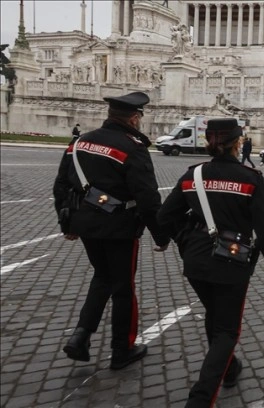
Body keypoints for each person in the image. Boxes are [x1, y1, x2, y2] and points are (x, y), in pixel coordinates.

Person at [156, 118, 264, 408]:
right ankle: (201, 398)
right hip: (231, 262)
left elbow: (165, 216)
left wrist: (183, 239)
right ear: (238, 142)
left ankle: (229, 369)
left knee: (215, 316)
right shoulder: (249, 177)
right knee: (228, 329)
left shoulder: (193, 175)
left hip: (195, 263)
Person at [52, 91, 171, 370]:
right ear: (133, 118)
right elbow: (148, 198)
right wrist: (161, 234)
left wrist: (67, 223)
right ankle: (122, 348)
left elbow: (61, 185)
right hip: (120, 227)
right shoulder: (132, 148)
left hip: (87, 226)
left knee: (102, 277)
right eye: (139, 117)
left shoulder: (79, 143)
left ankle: (81, 336)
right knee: (123, 288)